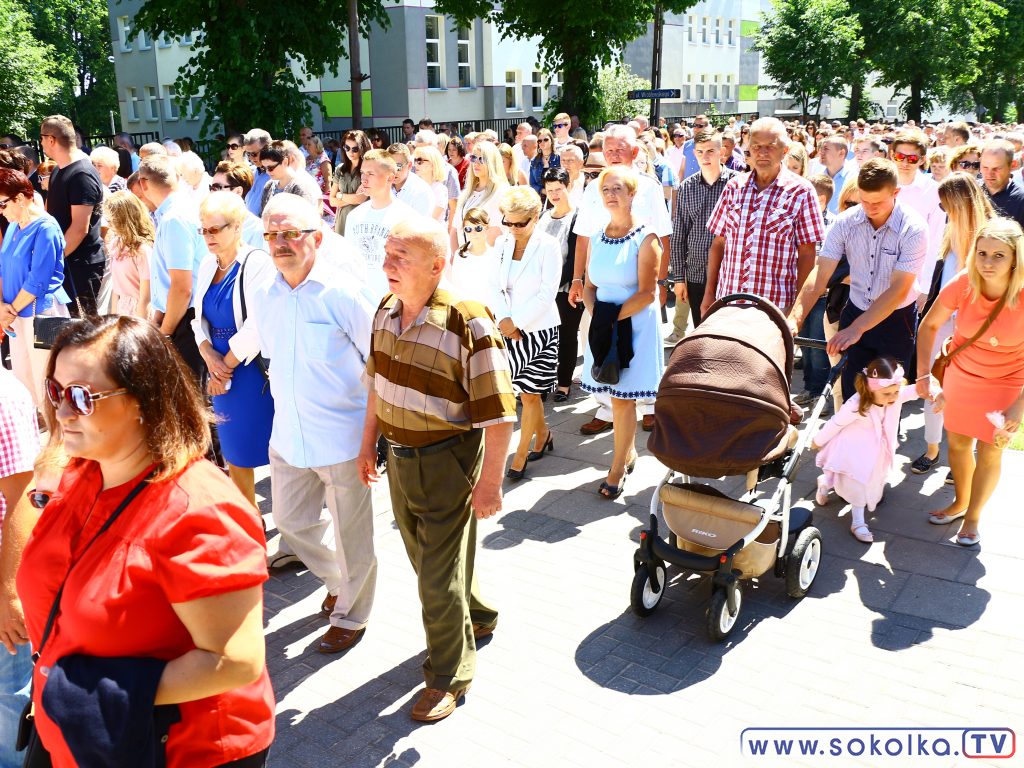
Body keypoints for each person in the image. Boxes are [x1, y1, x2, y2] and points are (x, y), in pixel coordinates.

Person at [18, 315, 274, 766]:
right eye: (56, 392)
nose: (61, 413)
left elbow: (235, 661)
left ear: (143, 400)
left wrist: (88, 692)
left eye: (81, 397)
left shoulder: (202, 511)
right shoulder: (85, 470)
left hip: (168, 747)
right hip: (77, 731)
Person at [357, 216, 516, 722]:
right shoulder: (385, 309)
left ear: (437, 265)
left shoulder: (468, 322)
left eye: (401, 257)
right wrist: (367, 445)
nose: (388, 265)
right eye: (387, 255)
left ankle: (449, 675)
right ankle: (479, 615)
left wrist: (490, 484)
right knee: (430, 563)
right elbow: (376, 386)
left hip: (448, 460)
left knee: (434, 579)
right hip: (399, 459)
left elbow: (500, 414)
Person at [256, 193, 378, 653]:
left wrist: (372, 439)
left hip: (342, 438)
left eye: (291, 233)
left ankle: (353, 613)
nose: (280, 243)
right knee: (290, 523)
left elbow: (379, 365)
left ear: (318, 238)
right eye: (272, 234)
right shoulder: (266, 292)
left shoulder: (344, 293)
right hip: (288, 435)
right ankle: (338, 580)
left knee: (353, 537)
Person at [915, 217, 1024, 547]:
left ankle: (973, 517)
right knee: (959, 444)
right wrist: (924, 375)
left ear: (1015, 258)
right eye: (982, 253)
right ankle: (960, 502)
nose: (987, 263)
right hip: (961, 377)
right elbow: (928, 325)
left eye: (999, 255)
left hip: (1008, 383)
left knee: (991, 452)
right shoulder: (964, 281)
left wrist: (1019, 406)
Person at [789, 159, 928, 401]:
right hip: (855, 309)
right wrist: (794, 319)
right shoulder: (846, 222)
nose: (870, 208)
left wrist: (856, 329)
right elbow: (821, 273)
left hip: (896, 321)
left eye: (878, 202)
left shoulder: (913, 228)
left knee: (886, 399)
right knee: (853, 398)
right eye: (864, 201)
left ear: (896, 193)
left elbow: (898, 289)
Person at [569, 124, 671, 436]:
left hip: (638, 286)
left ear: (635, 152)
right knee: (601, 347)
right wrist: (577, 279)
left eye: (620, 149)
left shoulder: (649, 188)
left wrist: (662, 283)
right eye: (609, 149)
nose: (613, 154)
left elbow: (663, 236)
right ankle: (606, 409)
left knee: (642, 352)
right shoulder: (593, 189)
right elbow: (583, 237)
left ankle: (650, 406)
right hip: (602, 284)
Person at [580, 167, 663, 499]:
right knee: (613, 394)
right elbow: (589, 286)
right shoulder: (597, 236)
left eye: (618, 188)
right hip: (604, 325)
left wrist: (610, 319)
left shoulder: (647, 236)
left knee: (622, 399)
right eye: (606, 189)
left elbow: (647, 293)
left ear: (632, 194)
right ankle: (627, 454)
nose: (611, 194)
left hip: (634, 326)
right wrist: (598, 317)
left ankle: (616, 469)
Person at [192, 192, 276, 505]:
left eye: (215, 229)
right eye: (203, 230)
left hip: (249, 371)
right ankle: (248, 519)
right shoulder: (206, 264)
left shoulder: (257, 263)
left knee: (272, 451)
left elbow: (257, 326)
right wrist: (207, 352)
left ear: (237, 226)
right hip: (219, 370)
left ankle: (291, 517)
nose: (208, 236)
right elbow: (197, 318)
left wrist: (223, 366)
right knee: (235, 455)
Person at [704, 117, 824, 320]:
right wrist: (709, 294)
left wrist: (796, 311)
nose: (762, 152)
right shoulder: (734, 187)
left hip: (775, 309)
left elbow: (807, 254)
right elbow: (719, 243)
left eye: (770, 146)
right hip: (728, 303)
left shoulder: (802, 191)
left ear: (785, 150)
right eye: (757, 146)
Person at [913, 174, 993, 476]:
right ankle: (932, 450)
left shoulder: (990, 237)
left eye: (947, 205)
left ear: (962, 203)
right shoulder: (950, 234)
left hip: (976, 331)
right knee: (933, 386)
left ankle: (961, 457)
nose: (944, 211)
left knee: (969, 395)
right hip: (942, 324)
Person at [490, 187, 561, 481]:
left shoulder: (548, 245)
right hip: (507, 328)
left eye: (520, 223)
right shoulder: (502, 243)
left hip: (539, 330)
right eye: (508, 222)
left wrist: (516, 322)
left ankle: (520, 456)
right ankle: (542, 434)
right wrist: (504, 321)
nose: (513, 228)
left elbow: (547, 293)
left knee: (531, 395)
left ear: (535, 216)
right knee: (522, 392)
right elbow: (494, 285)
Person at [812, 356, 919, 543]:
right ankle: (858, 523)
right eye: (887, 394)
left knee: (867, 483)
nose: (893, 397)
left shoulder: (893, 395)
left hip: (876, 454)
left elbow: (915, 391)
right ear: (870, 389)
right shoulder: (856, 404)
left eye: (896, 391)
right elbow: (836, 423)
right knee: (858, 487)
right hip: (853, 453)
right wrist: (817, 440)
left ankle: (825, 483)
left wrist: (935, 391)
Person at [0, 169, 71, 408]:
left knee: (52, 381)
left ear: (20, 198)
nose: (0, 211)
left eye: (2, 204)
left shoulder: (47, 228)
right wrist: (2, 307)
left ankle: (59, 430)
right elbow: (3, 268)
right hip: (15, 315)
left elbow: (37, 281)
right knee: (24, 380)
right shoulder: (13, 225)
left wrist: (7, 312)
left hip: (46, 314)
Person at [136, 154, 207, 379]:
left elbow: (182, 287)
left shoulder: (174, 218)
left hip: (184, 320)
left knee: (189, 392)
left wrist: (165, 333)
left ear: (143, 183)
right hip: (180, 316)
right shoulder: (176, 211)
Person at [0, 369, 39, 768]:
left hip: (2, 572)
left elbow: (24, 497)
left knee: (8, 692)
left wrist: (10, 594)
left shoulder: (3, 397)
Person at [669, 130, 736, 336]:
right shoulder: (687, 187)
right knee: (702, 331)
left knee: (729, 334)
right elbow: (678, 235)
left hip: (729, 273)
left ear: (721, 152)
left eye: (710, 151)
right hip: (696, 272)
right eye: (700, 152)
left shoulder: (737, 184)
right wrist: (679, 278)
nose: (705, 157)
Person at [38, 115, 105, 316]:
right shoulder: (58, 170)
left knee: (86, 327)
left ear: (51, 140)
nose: (41, 143)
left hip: (81, 266)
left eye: (41, 138)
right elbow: (49, 214)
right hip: (65, 262)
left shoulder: (81, 174)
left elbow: (79, 229)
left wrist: (53, 260)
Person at [345, 149, 417, 300]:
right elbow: (349, 262)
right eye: (362, 173)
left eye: (370, 174)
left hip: (392, 301)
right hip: (360, 300)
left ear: (390, 177)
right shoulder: (354, 216)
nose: (364, 179)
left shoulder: (406, 217)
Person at [538, 168, 581, 403]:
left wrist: (553, 284)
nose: (554, 194)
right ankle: (542, 382)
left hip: (566, 289)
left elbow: (574, 259)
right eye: (550, 189)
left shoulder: (577, 217)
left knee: (566, 336)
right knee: (544, 338)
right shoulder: (543, 216)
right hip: (542, 288)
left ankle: (564, 384)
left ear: (568, 187)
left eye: (559, 189)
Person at [451, 142, 508, 253]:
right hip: (463, 256)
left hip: (486, 257)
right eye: (473, 158)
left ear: (492, 162)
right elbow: (455, 228)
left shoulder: (501, 192)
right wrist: (456, 256)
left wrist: (476, 257)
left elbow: (496, 232)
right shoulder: (466, 193)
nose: (476, 163)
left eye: (481, 159)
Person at [103, 190, 152, 318]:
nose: (108, 225)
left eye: (112, 220)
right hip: (122, 309)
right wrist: (113, 319)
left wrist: (140, 325)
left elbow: (146, 297)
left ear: (125, 219)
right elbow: (116, 290)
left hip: (139, 313)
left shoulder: (142, 250)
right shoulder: (116, 244)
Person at [448, 208, 501, 307]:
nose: (473, 233)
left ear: (487, 228)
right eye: (468, 229)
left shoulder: (496, 255)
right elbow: (456, 287)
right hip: (466, 310)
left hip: (490, 311)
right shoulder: (460, 255)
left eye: (478, 228)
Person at [211, 160, 265, 249]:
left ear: (238, 191)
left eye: (217, 187)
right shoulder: (210, 226)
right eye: (211, 188)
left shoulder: (257, 229)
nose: (212, 193)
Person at [258, 141, 321, 211]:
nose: (267, 172)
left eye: (270, 168)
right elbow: (263, 213)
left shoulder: (302, 186)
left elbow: (305, 215)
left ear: (285, 162)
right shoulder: (269, 185)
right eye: (264, 168)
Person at [330, 130, 371, 235]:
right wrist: (352, 198)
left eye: (355, 149)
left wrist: (340, 195)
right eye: (347, 148)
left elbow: (360, 199)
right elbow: (332, 201)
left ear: (362, 148)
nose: (350, 152)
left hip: (361, 220)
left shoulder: (368, 169)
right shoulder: (340, 169)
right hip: (342, 219)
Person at [980, 139, 1024, 229]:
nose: (989, 174)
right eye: (985, 167)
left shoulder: (1021, 200)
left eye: (997, 168)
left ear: (1012, 165)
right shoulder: (969, 192)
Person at [388, 143, 435, 216]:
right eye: (389, 166)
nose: (393, 171)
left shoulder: (422, 192)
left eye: (398, 166)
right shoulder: (382, 186)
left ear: (409, 165)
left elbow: (421, 222)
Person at [411, 145, 448, 220]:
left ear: (432, 164)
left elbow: (432, 219)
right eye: (415, 160)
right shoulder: (413, 186)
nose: (415, 164)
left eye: (420, 161)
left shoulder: (440, 190)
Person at [242, 128, 272, 216]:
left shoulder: (276, 175)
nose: (251, 158)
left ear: (267, 149)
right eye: (248, 154)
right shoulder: (251, 172)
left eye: (254, 154)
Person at [529, 128, 561, 196]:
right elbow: (532, 184)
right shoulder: (534, 161)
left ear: (551, 141)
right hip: (541, 197)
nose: (542, 142)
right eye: (539, 141)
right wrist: (543, 191)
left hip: (558, 194)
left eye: (545, 140)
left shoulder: (559, 158)